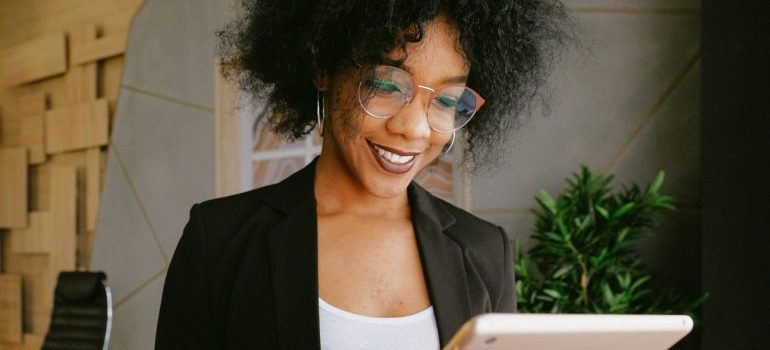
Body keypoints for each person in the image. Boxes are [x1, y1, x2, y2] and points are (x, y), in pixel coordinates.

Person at [155, 0, 568, 349]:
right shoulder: (222, 241)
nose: (416, 129)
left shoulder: (483, 251)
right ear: (323, 69)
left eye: (447, 99)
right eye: (387, 86)